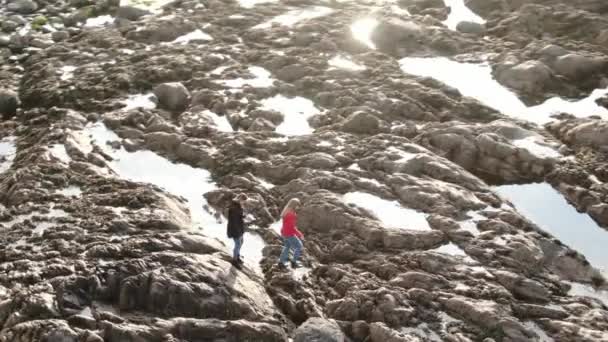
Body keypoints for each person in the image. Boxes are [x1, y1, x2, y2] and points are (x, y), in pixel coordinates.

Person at [278, 198, 304, 268]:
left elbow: (287, 225)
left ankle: (281, 262)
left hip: (284, 232)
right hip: (289, 233)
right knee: (299, 246)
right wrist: (299, 234)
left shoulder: (286, 212)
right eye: (298, 205)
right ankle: (294, 262)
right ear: (294, 205)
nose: (299, 207)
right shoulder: (291, 214)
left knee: (287, 247)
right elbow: (292, 227)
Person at [227, 194, 247, 267]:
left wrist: (243, 216)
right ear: (240, 199)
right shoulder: (234, 208)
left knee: (241, 242)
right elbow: (234, 221)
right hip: (235, 229)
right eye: (243, 201)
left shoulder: (238, 206)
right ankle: (234, 260)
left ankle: (237, 256)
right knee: (238, 244)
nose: (243, 203)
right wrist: (238, 232)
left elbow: (238, 217)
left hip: (239, 229)